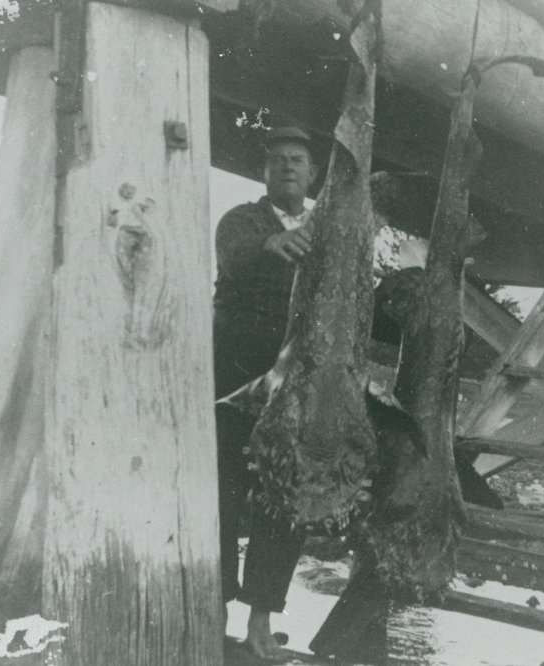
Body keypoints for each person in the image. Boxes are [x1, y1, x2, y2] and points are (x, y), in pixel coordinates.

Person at [213, 126, 318, 659]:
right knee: (223, 489)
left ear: (312, 172)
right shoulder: (241, 221)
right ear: (265, 172)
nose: (287, 168)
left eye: (297, 160)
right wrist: (271, 244)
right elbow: (234, 256)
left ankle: (260, 621)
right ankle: (213, 608)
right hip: (234, 379)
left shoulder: (327, 230)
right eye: (277, 161)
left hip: (297, 386)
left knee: (285, 496)